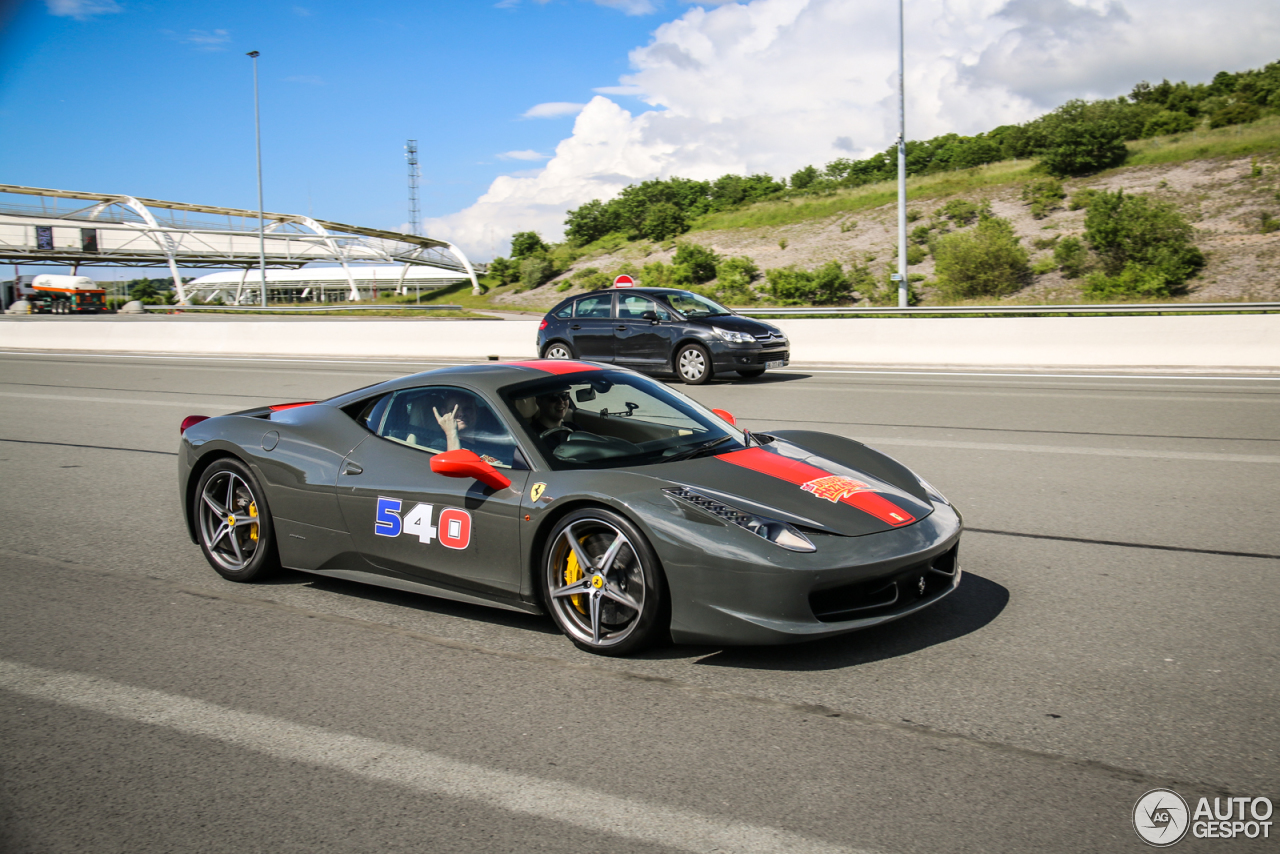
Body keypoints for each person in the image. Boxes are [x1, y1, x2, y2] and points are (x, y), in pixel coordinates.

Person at [433, 392, 507, 466]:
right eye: (454, 410)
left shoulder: (494, 441)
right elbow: (455, 469)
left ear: (476, 411)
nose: (461, 413)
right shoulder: (439, 447)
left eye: (467, 409)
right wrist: (451, 433)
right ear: (444, 413)